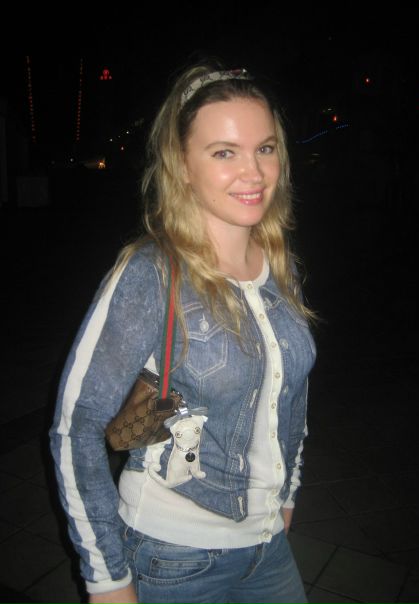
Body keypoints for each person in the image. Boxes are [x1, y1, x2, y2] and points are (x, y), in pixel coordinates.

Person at [49, 58, 317, 604]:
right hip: (173, 555)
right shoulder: (151, 273)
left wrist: (287, 491)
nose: (254, 172)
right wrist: (106, 578)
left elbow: (291, 393)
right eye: (224, 152)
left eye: (265, 148)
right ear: (182, 166)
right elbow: (75, 428)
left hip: (268, 544)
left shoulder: (278, 265)